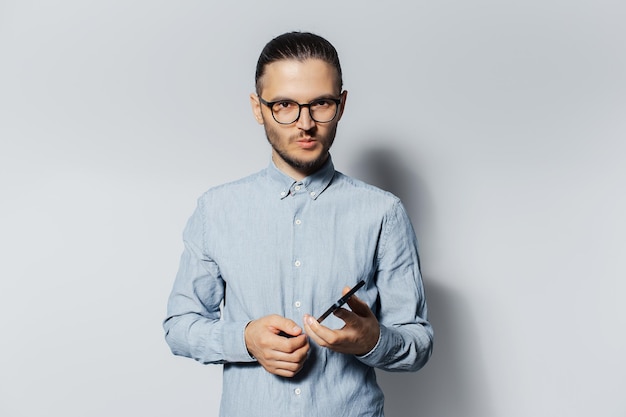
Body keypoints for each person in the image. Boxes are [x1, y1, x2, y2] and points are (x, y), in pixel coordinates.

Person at [163, 31, 433, 417]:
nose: (305, 123)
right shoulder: (216, 210)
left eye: (320, 103)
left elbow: (418, 343)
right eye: (285, 105)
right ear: (258, 108)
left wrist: (374, 341)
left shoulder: (383, 214)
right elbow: (180, 326)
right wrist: (245, 339)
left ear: (340, 105)